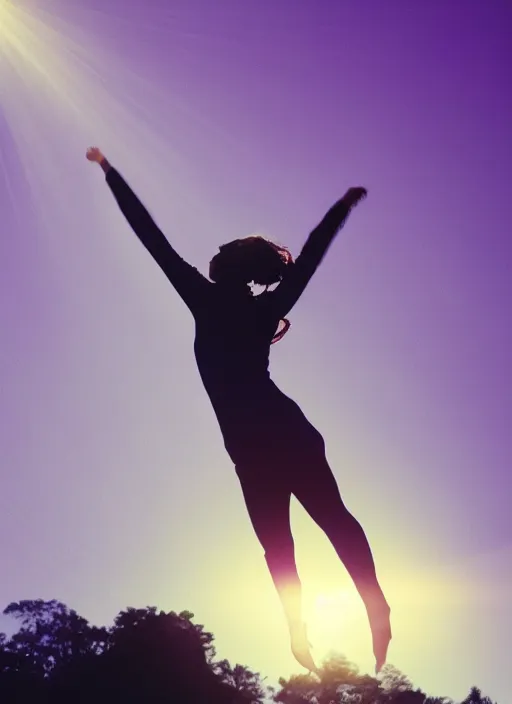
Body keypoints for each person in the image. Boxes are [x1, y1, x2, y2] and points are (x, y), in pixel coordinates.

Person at [86, 146, 392, 674]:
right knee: (317, 528)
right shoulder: (263, 307)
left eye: (222, 251)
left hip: (260, 442)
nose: (214, 254)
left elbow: (149, 236)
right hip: (272, 438)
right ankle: (342, 616)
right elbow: (312, 258)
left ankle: (347, 615)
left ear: (230, 265)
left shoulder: (205, 299)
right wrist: (341, 208)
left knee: (286, 546)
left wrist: (111, 174)